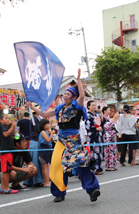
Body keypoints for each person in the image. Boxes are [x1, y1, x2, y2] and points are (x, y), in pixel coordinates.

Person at [31, 69, 100, 203]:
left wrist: (79, 80)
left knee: (80, 164)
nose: (65, 95)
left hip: (74, 140)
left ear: (73, 97)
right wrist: (32, 107)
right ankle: (59, 193)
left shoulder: (77, 107)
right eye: (65, 93)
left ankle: (92, 190)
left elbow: (82, 97)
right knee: (57, 165)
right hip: (61, 141)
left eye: (68, 93)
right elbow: (44, 114)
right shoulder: (59, 108)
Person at [0, 113, 19, 194]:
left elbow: (14, 138)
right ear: (1, 120)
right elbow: (6, 134)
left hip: (7, 151)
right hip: (6, 151)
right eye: (6, 118)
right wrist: (12, 127)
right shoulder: (3, 126)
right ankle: (6, 188)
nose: (8, 120)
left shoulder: (6, 128)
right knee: (6, 170)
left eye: (8, 118)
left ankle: (3, 188)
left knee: (5, 170)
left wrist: (15, 131)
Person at [33, 118, 54, 187]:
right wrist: (51, 134)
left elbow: (51, 141)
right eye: (47, 124)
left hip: (46, 150)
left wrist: (51, 134)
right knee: (45, 166)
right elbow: (48, 140)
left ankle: (46, 181)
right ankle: (46, 182)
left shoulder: (46, 132)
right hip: (43, 150)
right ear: (44, 125)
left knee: (46, 166)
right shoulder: (43, 132)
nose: (49, 125)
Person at [86, 100, 104, 175]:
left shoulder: (97, 114)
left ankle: (99, 168)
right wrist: (95, 128)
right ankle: (93, 168)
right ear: (88, 106)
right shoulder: (87, 115)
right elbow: (87, 125)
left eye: (95, 105)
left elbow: (101, 122)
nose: (94, 106)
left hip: (98, 135)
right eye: (92, 105)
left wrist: (100, 128)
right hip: (92, 136)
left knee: (99, 152)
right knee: (93, 152)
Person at [102, 106, 119, 170]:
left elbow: (114, 126)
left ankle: (113, 164)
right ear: (105, 111)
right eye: (108, 110)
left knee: (113, 150)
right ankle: (109, 166)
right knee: (108, 151)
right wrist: (114, 120)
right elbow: (107, 127)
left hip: (112, 136)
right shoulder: (103, 118)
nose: (109, 112)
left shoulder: (109, 118)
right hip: (107, 136)